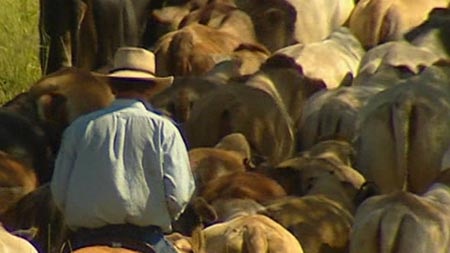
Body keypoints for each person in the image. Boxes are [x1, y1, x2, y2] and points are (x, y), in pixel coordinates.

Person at [51, 47, 195, 252]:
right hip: (147, 238)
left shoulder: (79, 128)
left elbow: (59, 191)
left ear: (112, 87)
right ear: (150, 89)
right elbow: (179, 194)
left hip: (87, 238)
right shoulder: (165, 130)